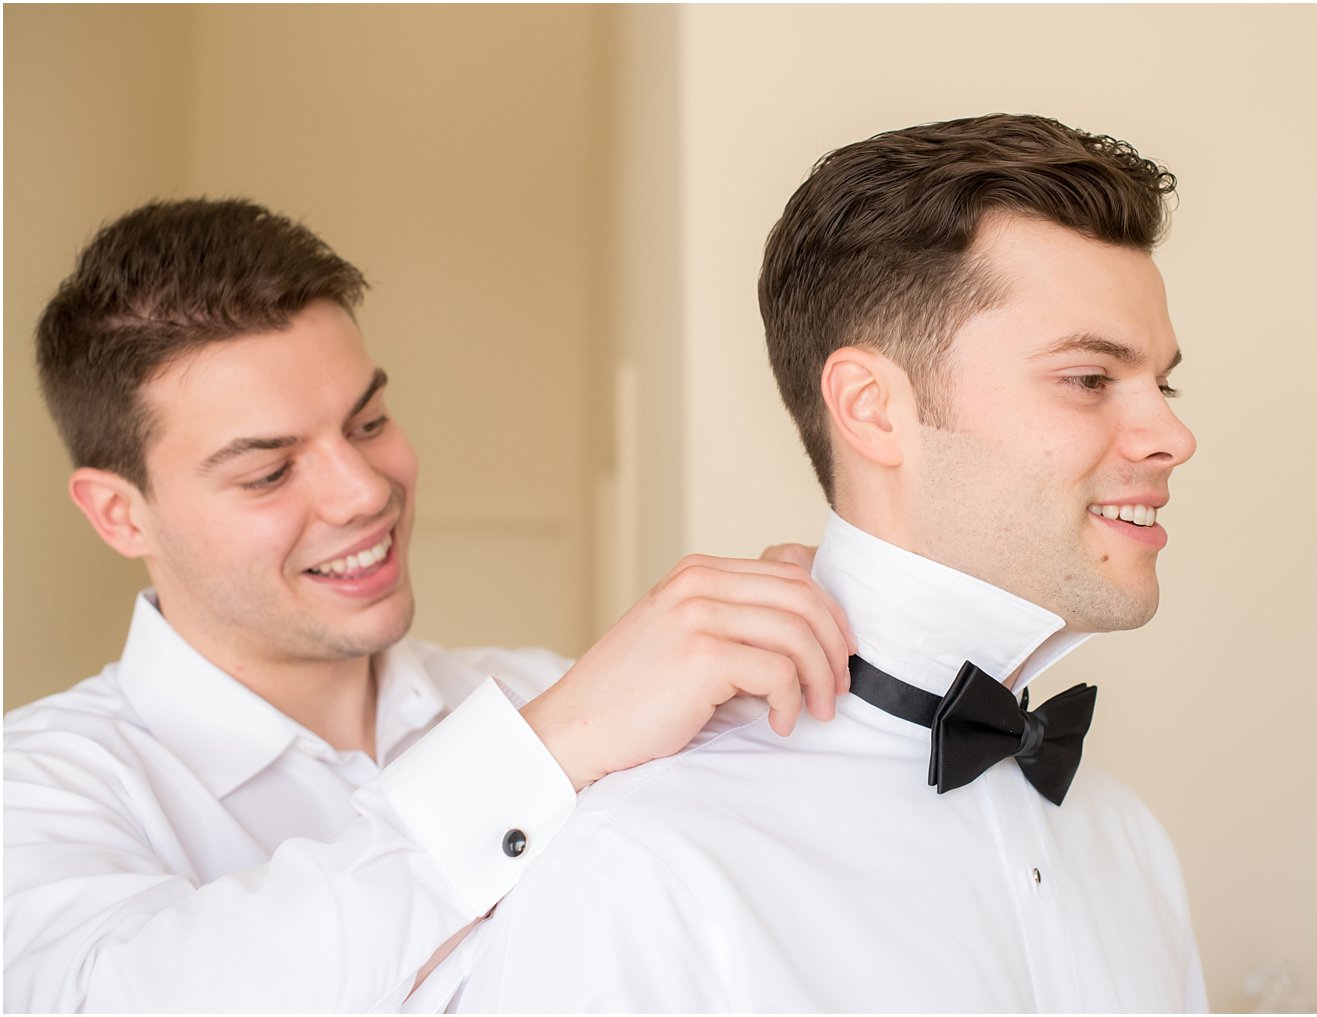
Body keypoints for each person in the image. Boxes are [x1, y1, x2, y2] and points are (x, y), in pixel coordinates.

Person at [2, 198, 853, 1013]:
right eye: (269, 471)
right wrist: (546, 750)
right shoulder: (41, 788)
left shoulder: (542, 691)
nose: (363, 492)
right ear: (120, 512)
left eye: (368, 421)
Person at [456, 113, 1207, 1012]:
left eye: (1161, 384)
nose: (1173, 435)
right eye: (1089, 379)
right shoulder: (645, 870)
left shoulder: (1130, 843)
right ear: (872, 409)